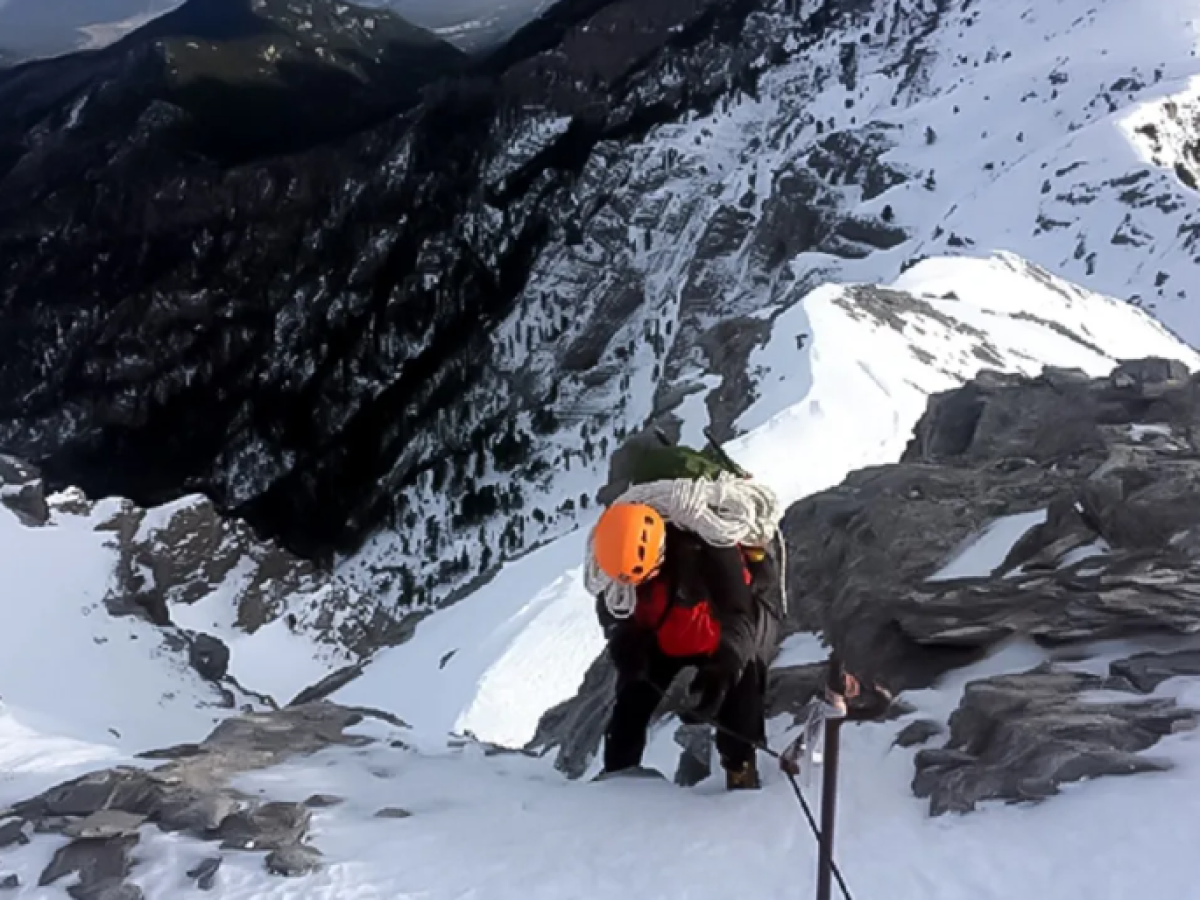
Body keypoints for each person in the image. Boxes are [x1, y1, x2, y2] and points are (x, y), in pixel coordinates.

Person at [590, 500, 783, 790]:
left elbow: (739, 617)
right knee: (631, 699)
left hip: (718, 636)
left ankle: (740, 769)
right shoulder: (614, 561)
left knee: (742, 690)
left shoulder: (713, 553)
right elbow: (613, 609)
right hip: (664, 635)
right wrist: (623, 640)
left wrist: (724, 667)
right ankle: (618, 772)